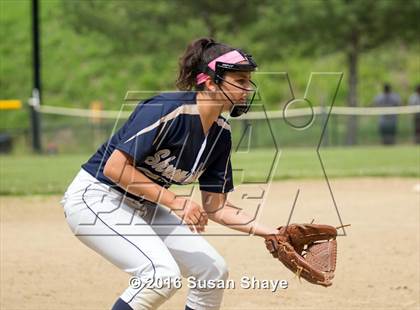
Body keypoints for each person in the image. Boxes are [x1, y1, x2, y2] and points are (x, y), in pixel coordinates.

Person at [60, 37, 280, 310]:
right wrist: (176, 202)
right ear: (211, 82)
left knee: (212, 272)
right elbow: (114, 168)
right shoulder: (167, 109)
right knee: (160, 276)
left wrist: (274, 233)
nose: (247, 89)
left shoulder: (221, 135)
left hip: (143, 205)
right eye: (240, 81)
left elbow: (216, 207)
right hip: (96, 197)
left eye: (248, 82)